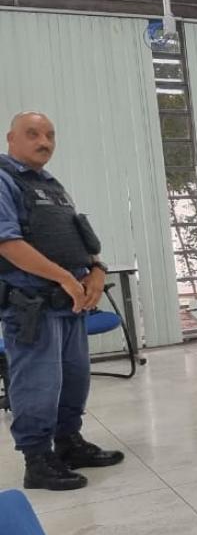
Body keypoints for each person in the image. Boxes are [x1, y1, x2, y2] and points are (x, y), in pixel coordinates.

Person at [0, 112, 123, 491]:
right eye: (33, 134)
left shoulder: (52, 186)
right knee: (39, 384)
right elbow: (8, 244)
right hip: (32, 305)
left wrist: (97, 272)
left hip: (68, 303)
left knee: (74, 379)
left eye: (50, 135)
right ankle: (37, 460)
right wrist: (66, 278)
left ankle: (68, 443)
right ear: (11, 138)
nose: (44, 141)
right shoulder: (5, 181)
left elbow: (77, 238)